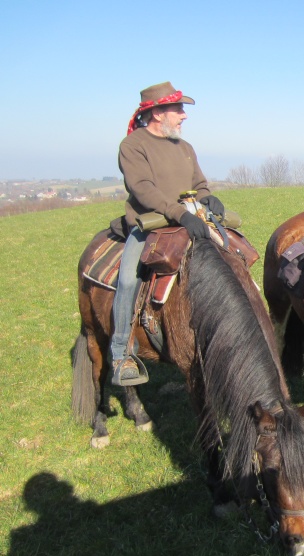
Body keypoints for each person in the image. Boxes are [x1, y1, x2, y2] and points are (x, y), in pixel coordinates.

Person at [110, 81, 225, 385]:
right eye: (178, 109)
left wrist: (207, 199)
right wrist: (179, 214)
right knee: (127, 279)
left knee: (234, 255)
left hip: (187, 218)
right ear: (157, 113)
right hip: (151, 225)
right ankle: (121, 353)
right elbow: (143, 190)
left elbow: (199, 183)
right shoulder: (133, 146)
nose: (184, 115)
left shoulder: (185, 147)